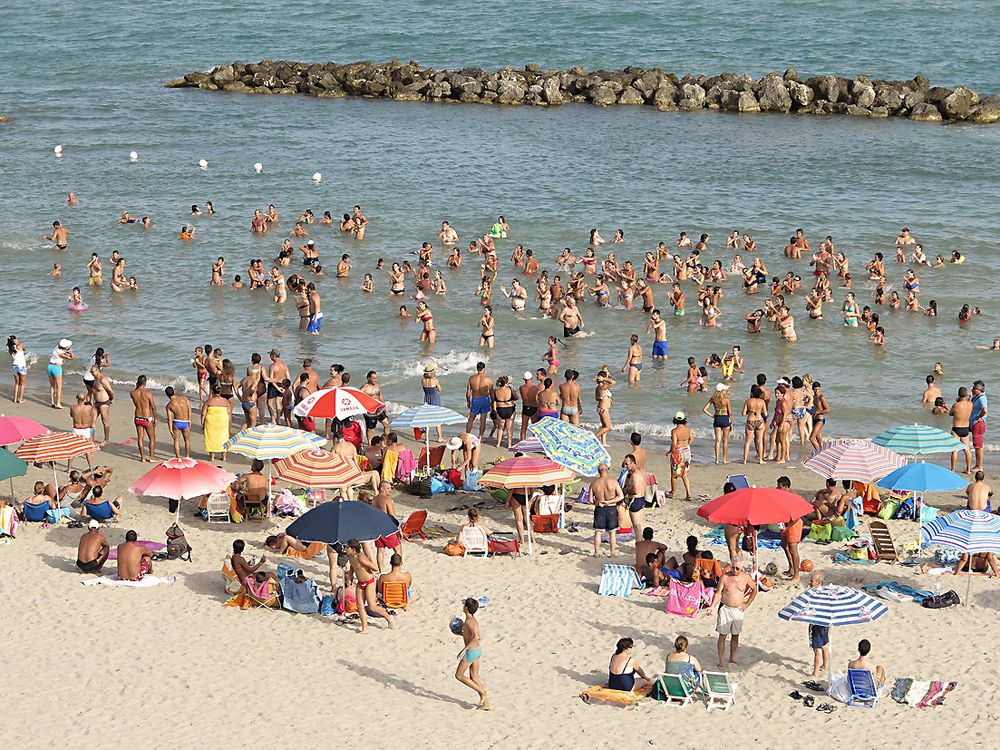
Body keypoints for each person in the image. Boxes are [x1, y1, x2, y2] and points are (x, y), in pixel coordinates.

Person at [711, 557, 756, 668]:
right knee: (722, 635)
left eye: (737, 568)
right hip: (725, 608)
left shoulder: (745, 577)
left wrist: (747, 604)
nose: (735, 570)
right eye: (733, 567)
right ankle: (721, 660)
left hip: (738, 609)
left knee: (735, 635)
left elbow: (754, 589)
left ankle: (733, 657)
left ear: (742, 569)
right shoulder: (725, 577)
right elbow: (718, 593)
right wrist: (712, 606)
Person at [344, 539, 394, 633]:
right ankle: (365, 628)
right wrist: (350, 576)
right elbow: (353, 566)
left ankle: (388, 617)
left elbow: (375, 568)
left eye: (346, 547)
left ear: (353, 549)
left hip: (369, 582)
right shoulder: (350, 556)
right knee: (360, 606)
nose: (345, 548)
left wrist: (367, 565)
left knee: (372, 606)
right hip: (360, 583)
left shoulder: (361, 557)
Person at [455, 597, 490, 709]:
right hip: (477, 650)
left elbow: (476, 636)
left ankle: (482, 691)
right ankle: (486, 704)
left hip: (471, 652)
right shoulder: (472, 620)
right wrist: (460, 633)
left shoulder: (470, 622)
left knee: (459, 675)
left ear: (466, 608)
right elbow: (473, 636)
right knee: (474, 677)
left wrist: (464, 649)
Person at [590, 464, 623, 557]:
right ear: (607, 470)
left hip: (599, 508)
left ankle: (596, 553)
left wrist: (597, 503)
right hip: (611, 508)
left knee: (598, 531)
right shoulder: (613, 482)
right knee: (612, 532)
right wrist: (609, 502)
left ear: (598, 471)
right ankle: (612, 553)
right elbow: (621, 496)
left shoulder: (594, 483)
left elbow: (590, 500)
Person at [776, 476, 803, 582]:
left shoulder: (793, 497)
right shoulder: (782, 495)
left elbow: (796, 517)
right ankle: (791, 568)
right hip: (786, 523)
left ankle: (796, 575)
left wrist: (787, 528)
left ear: (786, 487)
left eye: (779, 486)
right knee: (784, 544)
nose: (777, 488)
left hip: (794, 524)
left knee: (793, 548)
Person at [372, 481, 401, 572]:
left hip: (377, 527)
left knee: (380, 551)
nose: (390, 490)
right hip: (387, 527)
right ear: (382, 489)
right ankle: (398, 569)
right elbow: (392, 516)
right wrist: (398, 528)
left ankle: (381, 572)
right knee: (398, 548)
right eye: (388, 488)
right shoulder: (387, 499)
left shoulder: (374, 499)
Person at [806, 572, 830, 677]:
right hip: (826, 622)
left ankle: (815, 673)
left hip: (817, 623)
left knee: (817, 649)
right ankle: (825, 666)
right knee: (825, 644)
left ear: (819, 583)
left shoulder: (814, 595)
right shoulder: (827, 593)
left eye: (812, 581)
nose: (810, 582)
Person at [130, 375, 157, 462]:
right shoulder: (148, 393)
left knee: (140, 438)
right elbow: (153, 407)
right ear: (145, 382)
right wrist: (155, 418)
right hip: (146, 418)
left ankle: (142, 457)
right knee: (152, 438)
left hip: (137, 417)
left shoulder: (133, 393)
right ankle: (152, 457)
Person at [201, 386, 231, 460]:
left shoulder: (208, 401)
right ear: (220, 392)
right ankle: (224, 457)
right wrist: (229, 424)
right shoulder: (225, 401)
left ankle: (212, 457)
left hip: (211, 421)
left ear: (212, 391)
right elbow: (229, 414)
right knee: (224, 437)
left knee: (211, 437)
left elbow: (203, 414)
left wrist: (202, 423)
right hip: (223, 421)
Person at [465, 362, 493, 438]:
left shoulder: (472, 378)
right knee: (483, 420)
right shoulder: (488, 379)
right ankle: (480, 437)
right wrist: (492, 403)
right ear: (484, 369)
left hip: (475, 400)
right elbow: (491, 393)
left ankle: (467, 435)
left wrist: (468, 401)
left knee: (471, 419)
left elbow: (468, 392)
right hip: (485, 400)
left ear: (477, 369)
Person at [669, 411, 693, 500]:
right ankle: (688, 493)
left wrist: (670, 452)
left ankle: (673, 492)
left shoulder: (674, 431)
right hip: (687, 451)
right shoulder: (688, 429)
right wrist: (687, 445)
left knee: (674, 474)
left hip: (678, 453)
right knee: (685, 474)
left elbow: (674, 444)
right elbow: (691, 438)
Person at [622, 454, 647, 538]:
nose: (625, 466)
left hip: (635, 500)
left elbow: (635, 490)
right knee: (639, 525)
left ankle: (639, 544)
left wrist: (626, 490)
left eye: (627, 464)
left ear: (633, 463)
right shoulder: (640, 471)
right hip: (642, 498)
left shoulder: (635, 475)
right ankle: (640, 542)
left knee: (636, 526)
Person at [950, 386, 973, 473]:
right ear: (966, 394)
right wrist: (970, 397)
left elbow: (950, 413)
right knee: (967, 450)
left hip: (956, 428)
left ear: (958, 394)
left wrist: (957, 401)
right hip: (965, 429)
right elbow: (968, 404)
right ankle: (968, 470)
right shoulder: (970, 404)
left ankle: (953, 469)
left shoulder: (956, 405)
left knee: (955, 450)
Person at [164, 386, 192, 458]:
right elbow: (189, 409)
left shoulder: (169, 405)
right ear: (174, 391)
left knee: (176, 441)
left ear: (167, 395)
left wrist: (170, 429)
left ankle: (178, 458)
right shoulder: (184, 399)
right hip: (185, 421)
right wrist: (189, 419)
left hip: (177, 422)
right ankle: (187, 456)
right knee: (187, 440)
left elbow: (169, 419)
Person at [48, 338, 74, 408]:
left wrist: (66, 350)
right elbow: (72, 358)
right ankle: (58, 403)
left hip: (50, 366)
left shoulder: (56, 347)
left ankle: (52, 402)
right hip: (56, 368)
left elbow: (62, 350)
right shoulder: (61, 354)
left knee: (52, 385)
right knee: (59, 387)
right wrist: (71, 352)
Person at [971, 380, 988, 472]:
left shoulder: (982, 398)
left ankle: (979, 466)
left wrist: (979, 416)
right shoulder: (976, 397)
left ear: (979, 389)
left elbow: (985, 409)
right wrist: (971, 395)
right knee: (976, 445)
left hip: (978, 424)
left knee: (978, 446)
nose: (973, 389)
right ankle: (977, 465)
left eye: (974, 388)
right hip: (975, 423)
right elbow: (970, 404)